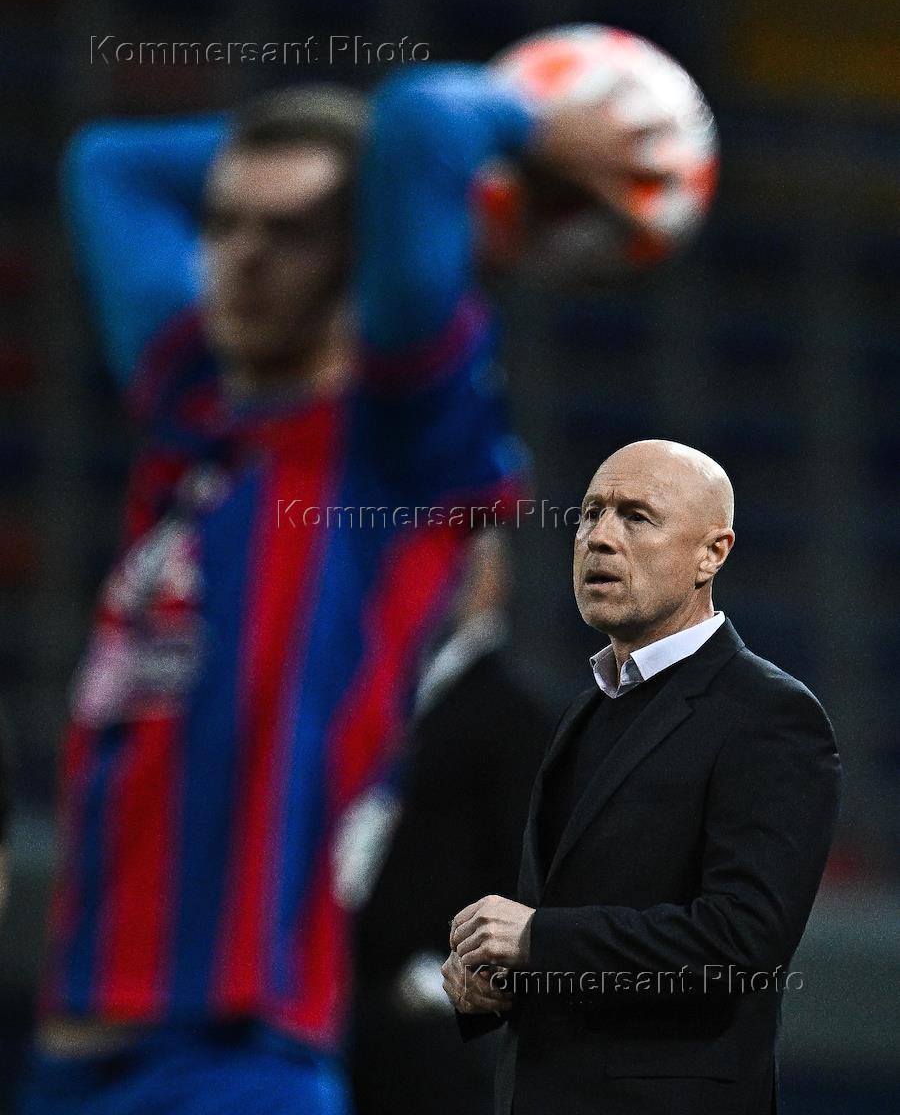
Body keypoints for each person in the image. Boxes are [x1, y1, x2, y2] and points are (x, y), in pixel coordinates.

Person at [20, 65, 650, 1115]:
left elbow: (423, 128)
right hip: (70, 1063)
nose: (242, 256)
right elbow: (108, 165)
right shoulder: (195, 415)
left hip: (236, 1064)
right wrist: (338, 170)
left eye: (294, 233)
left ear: (366, 258)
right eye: (225, 224)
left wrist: (529, 129)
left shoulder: (398, 444)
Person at [443, 439, 841, 1115]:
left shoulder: (770, 715)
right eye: (590, 514)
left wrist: (538, 940)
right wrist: (497, 980)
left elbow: (741, 943)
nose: (599, 538)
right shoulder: (586, 709)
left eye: (636, 517)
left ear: (712, 553)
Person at [349, 531, 552, 1115]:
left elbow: (524, 869)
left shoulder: (516, 715)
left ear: (492, 581)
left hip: (428, 1030)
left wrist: (446, 981)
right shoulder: (379, 692)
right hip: (349, 1002)